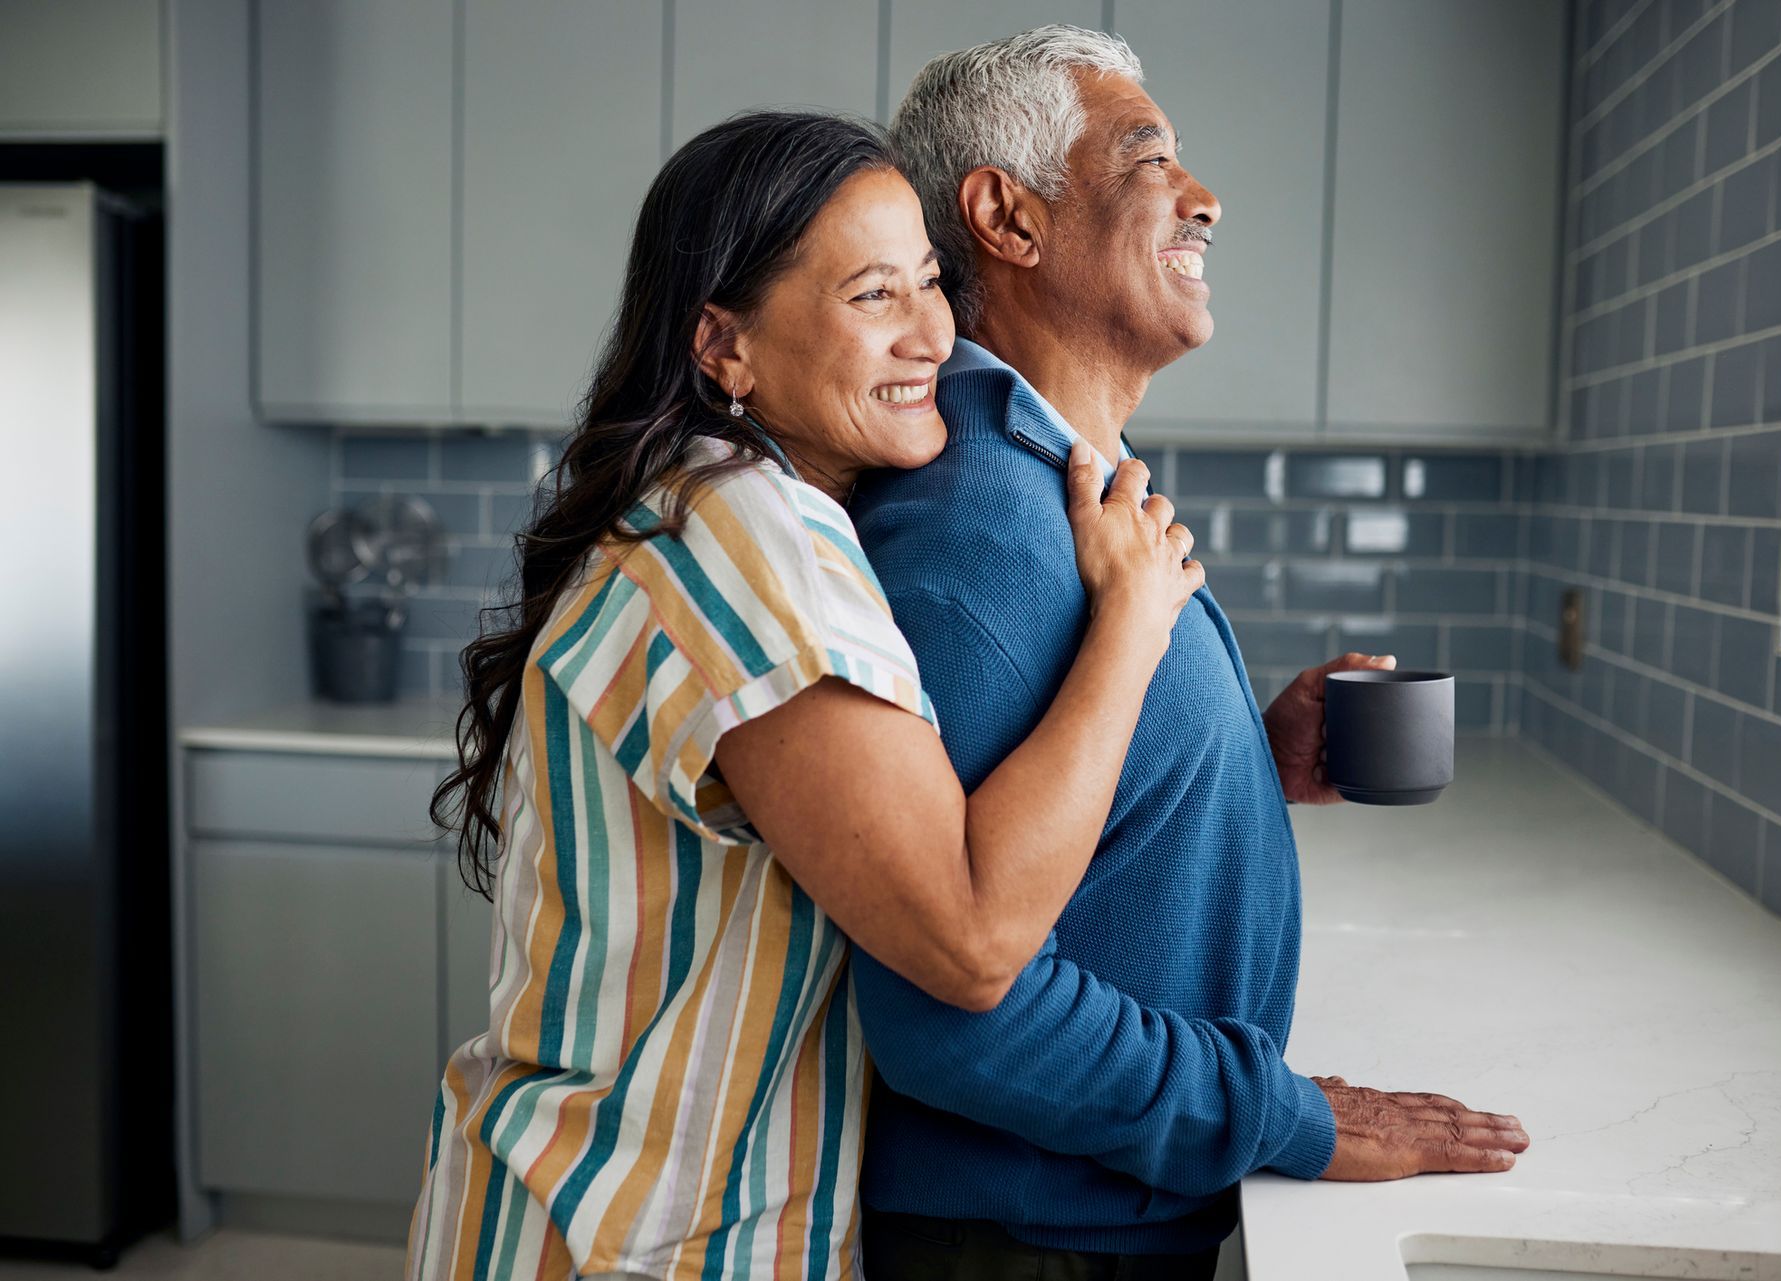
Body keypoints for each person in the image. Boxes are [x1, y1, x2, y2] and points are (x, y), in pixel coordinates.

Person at [406, 109, 1202, 1281]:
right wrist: (1132, 626)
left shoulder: (721, 506)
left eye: (930, 282)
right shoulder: (748, 540)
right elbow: (973, 937)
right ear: (723, 346)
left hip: (588, 1207)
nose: (932, 332)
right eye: (873, 296)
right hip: (631, 1240)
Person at [849, 27, 1533, 1278]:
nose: (1204, 199)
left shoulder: (1056, 484)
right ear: (1007, 215)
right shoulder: (977, 530)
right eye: (1148, 155)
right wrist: (1289, 1116)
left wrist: (1243, 764)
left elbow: (1047, 826)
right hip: (1023, 1245)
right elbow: (956, 1018)